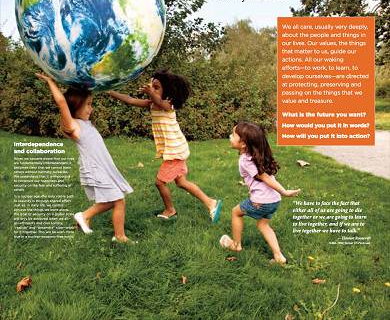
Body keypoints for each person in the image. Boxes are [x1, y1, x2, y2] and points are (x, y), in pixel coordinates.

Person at [109, 69, 222, 222]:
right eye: (151, 86)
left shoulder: (168, 105)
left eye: (156, 87)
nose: (152, 90)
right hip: (176, 150)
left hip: (175, 152)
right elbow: (129, 100)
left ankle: (170, 210)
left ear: (167, 91)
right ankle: (211, 202)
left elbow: (160, 102)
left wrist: (150, 93)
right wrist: (110, 92)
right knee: (182, 183)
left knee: (160, 182)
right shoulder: (152, 104)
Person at [36, 73, 134, 243]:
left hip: (102, 167)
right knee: (118, 200)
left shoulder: (86, 123)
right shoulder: (73, 125)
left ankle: (84, 217)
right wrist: (51, 82)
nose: (91, 108)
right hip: (95, 168)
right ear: (76, 105)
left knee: (113, 200)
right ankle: (119, 236)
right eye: (88, 104)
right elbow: (61, 102)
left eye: (91, 104)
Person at [220, 122, 300, 264]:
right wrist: (281, 194)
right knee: (263, 225)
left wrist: (284, 191)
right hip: (274, 201)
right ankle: (279, 256)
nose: (229, 137)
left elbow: (265, 178)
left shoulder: (246, 161)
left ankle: (236, 245)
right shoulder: (256, 156)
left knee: (235, 212)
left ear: (243, 143)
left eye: (233, 135)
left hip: (261, 201)